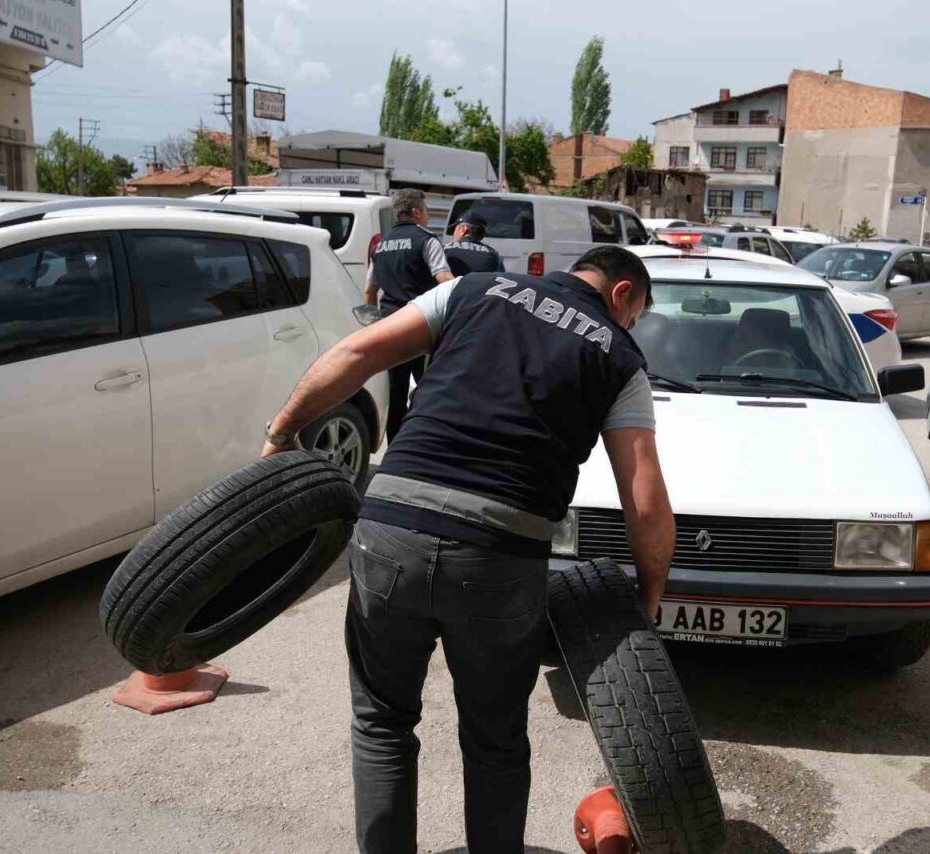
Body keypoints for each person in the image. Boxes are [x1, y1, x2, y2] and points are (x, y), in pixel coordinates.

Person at [261, 246, 675, 853]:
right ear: (621, 294)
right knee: (495, 742)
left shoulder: (473, 289)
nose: (630, 326)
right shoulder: (619, 357)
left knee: (382, 725)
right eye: (634, 314)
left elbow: (357, 351)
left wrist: (280, 434)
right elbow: (643, 496)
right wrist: (650, 594)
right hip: (499, 555)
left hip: (390, 528)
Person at [365, 188, 454, 444]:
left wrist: (373, 325)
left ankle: (396, 444)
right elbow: (444, 279)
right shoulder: (426, 240)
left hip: (389, 326)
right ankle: (427, 441)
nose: (427, 218)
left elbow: (369, 291)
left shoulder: (380, 245)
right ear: (416, 212)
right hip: (420, 326)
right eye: (425, 212)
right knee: (430, 389)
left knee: (394, 391)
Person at [443, 210, 505, 276]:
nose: (453, 234)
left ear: (463, 229)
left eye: (454, 229)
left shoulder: (442, 249)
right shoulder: (494, 255)